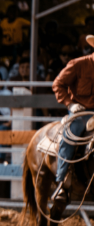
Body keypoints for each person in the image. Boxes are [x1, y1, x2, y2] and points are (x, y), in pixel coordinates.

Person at [50, 35, 94, 202]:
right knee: (70, 137)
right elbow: (57, 84)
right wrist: (70, 104)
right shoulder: (79, 64)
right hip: (80, 111)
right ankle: (61, 183)